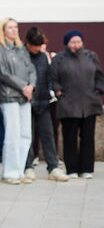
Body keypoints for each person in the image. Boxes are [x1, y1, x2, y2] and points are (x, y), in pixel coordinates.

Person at [51, 30, 104, 178]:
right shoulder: (59, 59)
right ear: (67, 44)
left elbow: (99, 76)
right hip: (68, 104)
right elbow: (53, 79)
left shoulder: (91, 56)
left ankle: (86, 169)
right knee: (70, 138)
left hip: (89, 103)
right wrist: (58, 91)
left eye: (78, 42)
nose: (76, 45)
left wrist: (99, 89)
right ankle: (72, 169)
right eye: (72, 42)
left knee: (88, 137)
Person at [0, 18, 37, 184]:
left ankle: (20, 170)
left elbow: (31, 68)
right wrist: (23, 86)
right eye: (10, 27)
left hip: (25, 96)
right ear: (3, 30)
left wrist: (31, 85)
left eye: (16, 27)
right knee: (13, 134)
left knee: (26, 134)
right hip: (10, 96)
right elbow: (3, 74)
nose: (14, 30)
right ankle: (10, 172)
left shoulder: (21, 48)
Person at [23, 28, 68, 182]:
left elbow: (48, 75)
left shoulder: (43, 57)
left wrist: (50, 91)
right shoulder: (22, 55)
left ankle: (53, 167)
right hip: (26, 103)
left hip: (43, 102)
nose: (37, 49)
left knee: (48, 135)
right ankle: (27, 167)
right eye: (35, 45)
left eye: (39, 45)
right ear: (28, 43)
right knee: (27, 136)